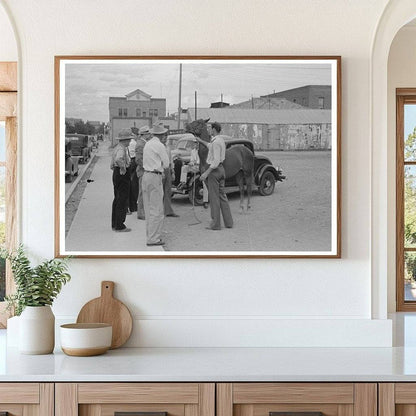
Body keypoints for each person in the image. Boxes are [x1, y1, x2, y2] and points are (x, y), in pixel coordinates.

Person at [200, 122, 233, 230]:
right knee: (222, 196)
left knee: (214, 199)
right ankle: (229, 222)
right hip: (221, 170)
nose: (208, 130)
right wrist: (200, 140)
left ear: (214, 129)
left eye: (209, 128)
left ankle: (215, 224)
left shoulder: (215, 142)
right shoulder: (219, 140)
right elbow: (210, 146)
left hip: (214, 171)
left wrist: (206, 173)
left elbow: (215, 161)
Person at [142, 123, 170, 246]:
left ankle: (150, 234)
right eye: (165, 134)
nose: (166, 137)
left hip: (146, 175)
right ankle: (153, 238)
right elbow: (167, 164)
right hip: (155, 176)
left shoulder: (148, 144)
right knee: (157, 209)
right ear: (162, 135)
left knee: (149, 208)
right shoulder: (159, 145)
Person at [111, 128, 133, 232]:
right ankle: (120, 224)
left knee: (117, 198)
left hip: (117, 173)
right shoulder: (121, 149)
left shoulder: (117, 147)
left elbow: (112, 163)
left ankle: (115, 223)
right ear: (124, 140)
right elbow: (118, 159)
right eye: (128, 140)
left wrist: (116, 168)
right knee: (122, 199)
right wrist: (123, 167)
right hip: (122, 174)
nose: (130, 142)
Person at [177, 139, 209, 208]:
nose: (196, 145)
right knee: (184, 167)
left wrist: (194, 163)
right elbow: (192, 160)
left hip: (202, 167)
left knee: (205, 184)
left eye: (197, 143)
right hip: (195, 166)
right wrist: (191, 163)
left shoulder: (202, 151)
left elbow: (201, 161)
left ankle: (205, 201)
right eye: (194, 143)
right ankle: (183, 182)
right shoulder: (193, 151)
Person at [160, 127, 179, 217]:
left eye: (166, 136)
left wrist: (173, 171)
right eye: (163, 136)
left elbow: (170, 160)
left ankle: (168, 210)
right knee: (160, 191)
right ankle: (159, 211)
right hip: (160, 169)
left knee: (168, 190)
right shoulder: (158, 147)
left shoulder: (168, 147)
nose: (164, 138)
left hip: (168, 169)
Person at [135, 126, 151, 220]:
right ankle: (140, 212)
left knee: (144, 191)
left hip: (144, 170)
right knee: (142, 192)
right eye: (148, 133)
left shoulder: (143, 143)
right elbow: (139, 159)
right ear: (144, 134)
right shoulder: (141, 144)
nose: (149, 135)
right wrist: (146, 167)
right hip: (143, 171)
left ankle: (143, 211)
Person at [127, 134, 138, 213]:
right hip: (133, 161)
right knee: (134, 185)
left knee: (130, 184)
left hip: (130, 161)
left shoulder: (129, 144)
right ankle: (132, 205)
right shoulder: (134, 143)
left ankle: (131, 205)